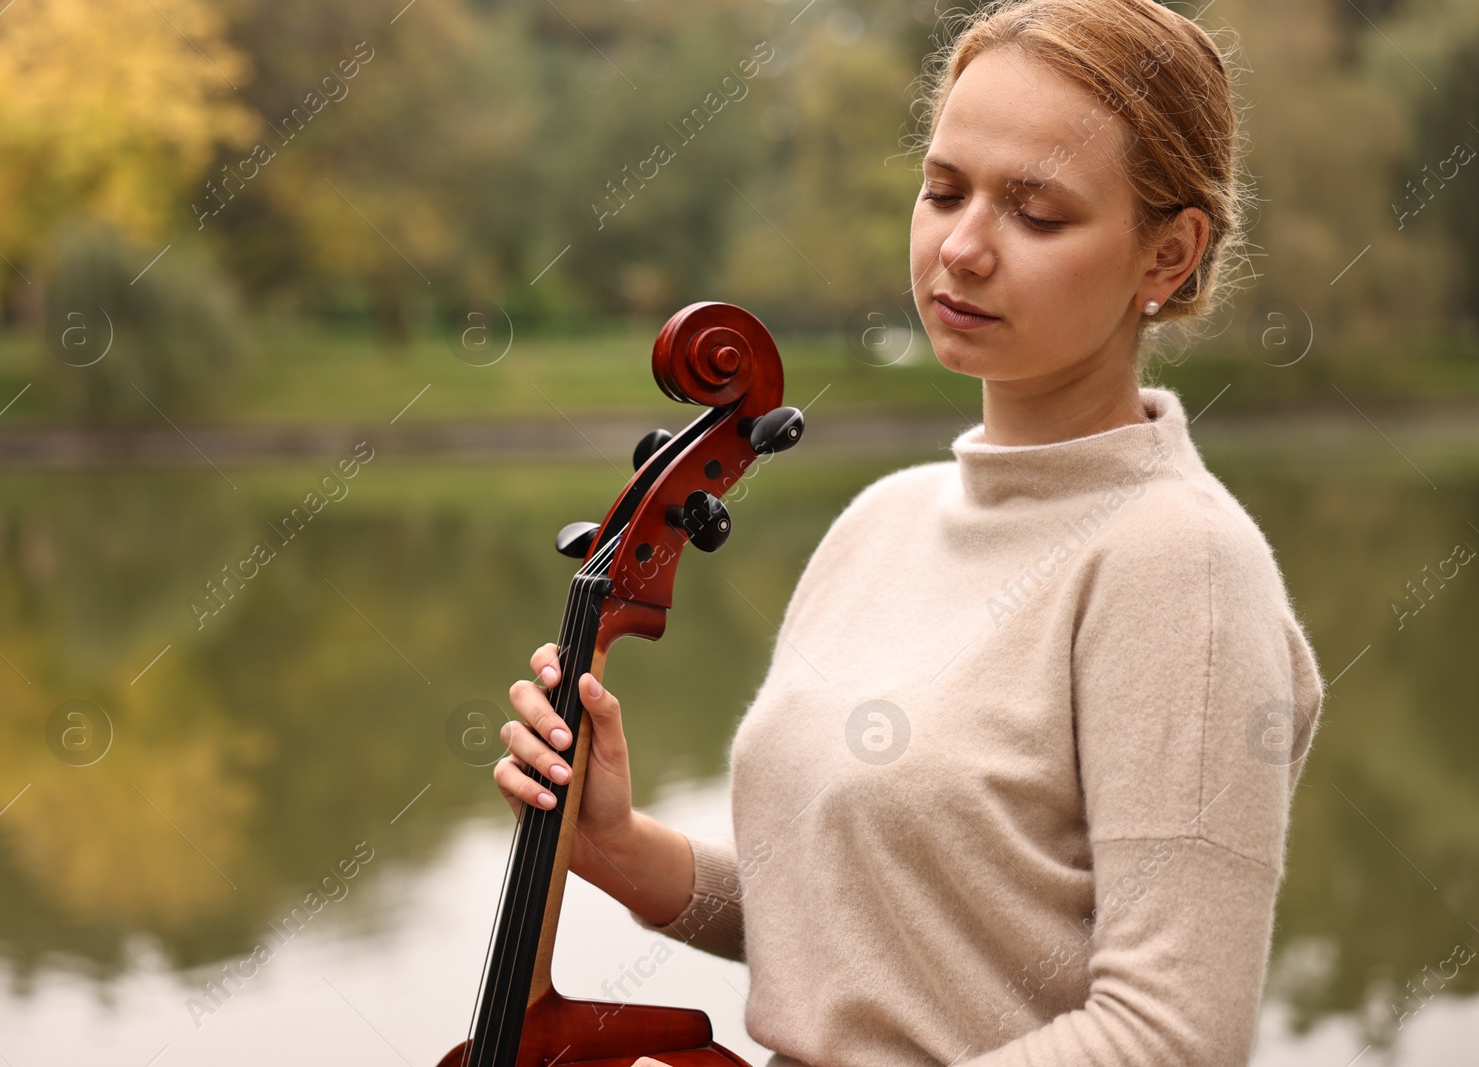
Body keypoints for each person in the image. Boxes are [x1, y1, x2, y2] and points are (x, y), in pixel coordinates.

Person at [496, 0, 1325, 1063]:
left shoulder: (1180, 567)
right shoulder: (880, 521)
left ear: (1166, 256)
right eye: (942, 191)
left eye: (1036, 214)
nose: (962, 247)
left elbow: (1167, 1037)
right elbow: (869, 931)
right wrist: (618, 846)